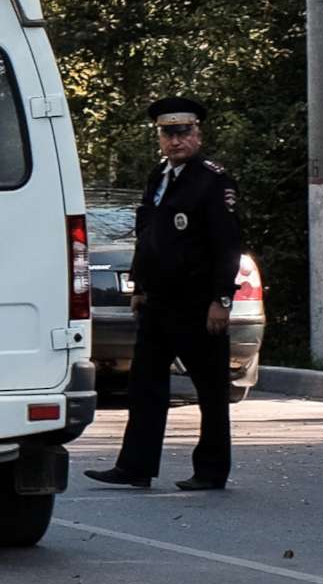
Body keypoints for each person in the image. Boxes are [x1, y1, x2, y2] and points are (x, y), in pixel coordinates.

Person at [86, 97, 243, 492]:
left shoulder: (213, 180)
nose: (176, 141)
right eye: (168, 133)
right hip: (158, 302)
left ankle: (210, 471)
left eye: (183, 132)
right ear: (159, 136)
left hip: (197, 303)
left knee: (210, 391)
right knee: (145, 388)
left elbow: (227, 245)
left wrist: (221, 300)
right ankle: (135, 467)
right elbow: (148, 235)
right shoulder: (159, 176)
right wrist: (139, 286)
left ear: (198, 133)